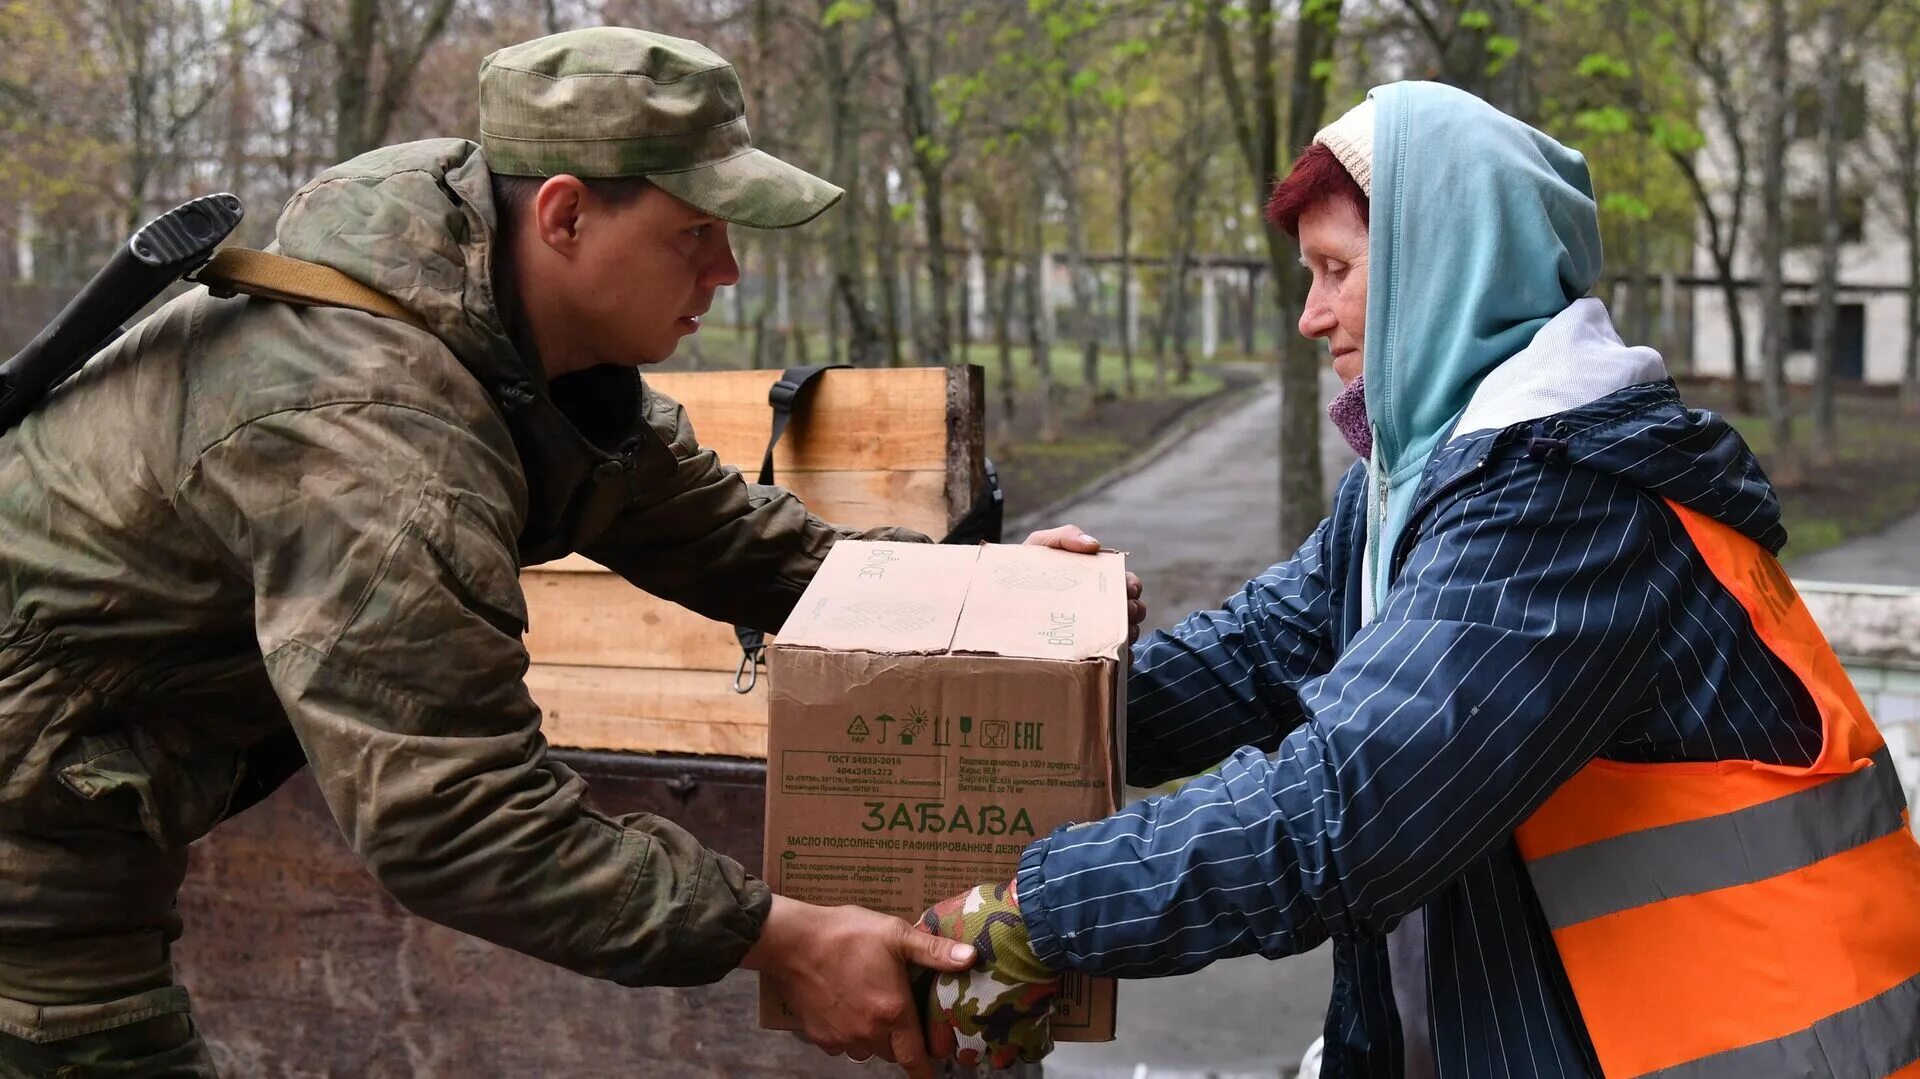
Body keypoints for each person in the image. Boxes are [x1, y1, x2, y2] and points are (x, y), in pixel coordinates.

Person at [0, 27, 1142, 1077]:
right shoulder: (374, 437)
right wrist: (776, 936)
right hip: (37, 839)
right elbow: (454, 815)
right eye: (695, 232)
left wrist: (981, 589)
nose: (728, 269)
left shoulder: (504, 345)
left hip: (89, 811)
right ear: (562, 216)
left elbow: (743, 543)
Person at [915, 81, 1920, 1076]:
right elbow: (1258, 659)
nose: (1312, 316)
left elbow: (1346, 808)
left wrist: (1021, 922)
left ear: (1444, 271)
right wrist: (1028, 671)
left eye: (1336, 269)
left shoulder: (1569, 505)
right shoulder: (1417, 489)